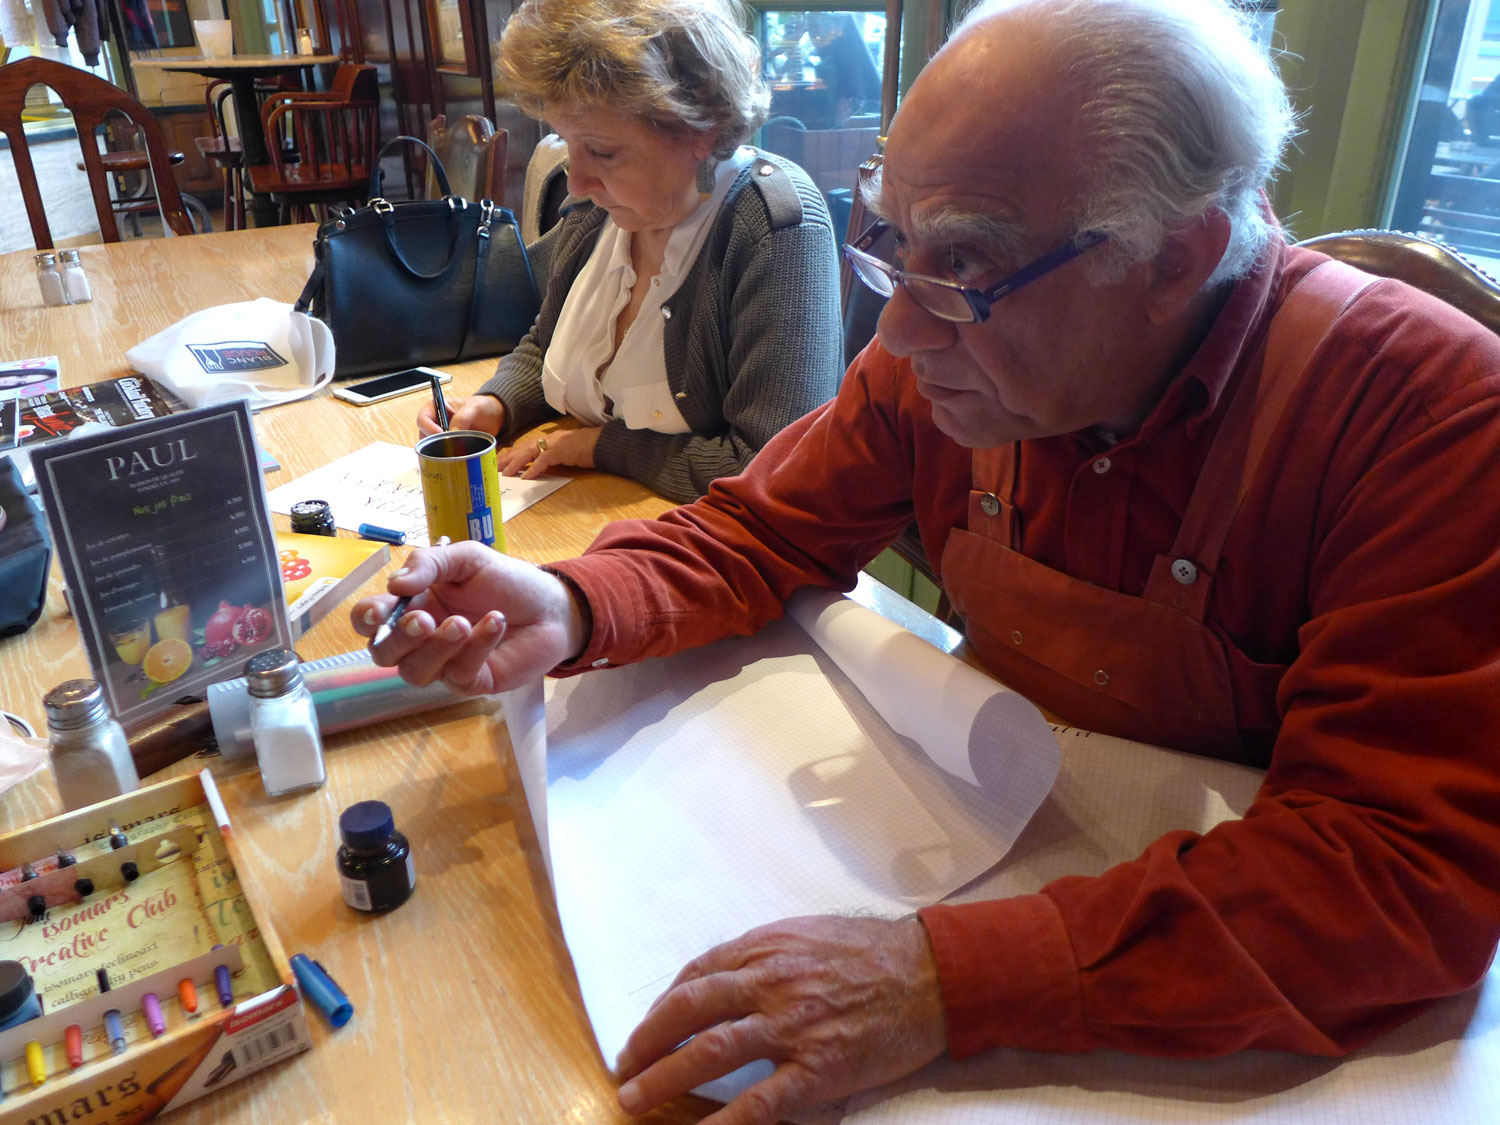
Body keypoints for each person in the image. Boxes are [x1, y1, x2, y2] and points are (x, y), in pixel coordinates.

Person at [359, 0, 1500, 1119]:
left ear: (1177, 257)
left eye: (962, 263)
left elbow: (1399, 872)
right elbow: (767, 526)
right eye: (892, 247)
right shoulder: (940, 345)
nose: (896, 334)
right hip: (1016, 835)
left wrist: (939, 981)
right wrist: (572, 601)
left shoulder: (1431, 416)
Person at [416, 0, 843, 505]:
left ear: (701, 127)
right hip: (584, 512)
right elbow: (545, 343)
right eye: (564, 141)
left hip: (697, 544)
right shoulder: (601, 210)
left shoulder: (774, 229)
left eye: (602, 151)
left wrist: (599, 447)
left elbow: (770, 470)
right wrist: (496, 403)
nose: (576, 180)